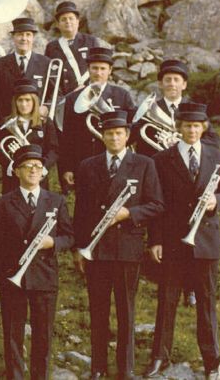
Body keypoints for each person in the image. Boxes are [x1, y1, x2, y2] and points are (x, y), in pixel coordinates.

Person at [72, 110, 164, 379]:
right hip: (96, 249)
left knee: (126, 310)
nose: (114, 137)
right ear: (102, 136)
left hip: (127, 248)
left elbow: (157, 204)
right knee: (98, 310)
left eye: (119, 133)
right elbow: (81, 212)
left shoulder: (145, 164)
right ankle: (98, 367)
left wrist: (130, 214)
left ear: (127, 136)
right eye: (109, 133)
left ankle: (126, 368)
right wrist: (79, 247)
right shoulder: (87, 165)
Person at [144, 102, 220, 379]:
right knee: (167, 300)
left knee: (206, 300)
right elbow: (155, 203)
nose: (192, 130)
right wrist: (155, 240)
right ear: (178, 127)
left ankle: (211, 358)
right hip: (173, 239)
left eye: (196, 125)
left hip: (205, 240)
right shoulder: (161, 159)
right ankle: (160, 356)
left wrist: (218, 200)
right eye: (187, 125)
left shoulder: (218, 156)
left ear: (203, 127)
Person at [0, 145, 74, 380]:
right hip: (12, 275)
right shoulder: (3, 203)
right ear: (16, 171)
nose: (33, 170)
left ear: (44, 172)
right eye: (27, 166)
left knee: (43, 334)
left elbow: (69, 237)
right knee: (13, 334)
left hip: (44, 276)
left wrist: (52, 243)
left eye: (38, 166)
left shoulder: (56, 201)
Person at [58, 47, 135, 194]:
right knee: (85, 207)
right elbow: (66, 136)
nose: (98, 73)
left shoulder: (122, 95)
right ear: (88, 69)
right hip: (83, 161)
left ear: (110, 70)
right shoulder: (73, 99)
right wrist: (67, 168)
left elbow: (132, 128)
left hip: (115, 160)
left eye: (102, 68)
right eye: (94, 68)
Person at [132, 59, 220, 157]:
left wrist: (184, 142)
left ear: (184, 85)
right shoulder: (150, 109)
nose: (172, 84)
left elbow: (214, 141)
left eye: (176, 80)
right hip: (155, 166)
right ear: (160, 84)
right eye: (168, 79)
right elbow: (135, 139)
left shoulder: (194, 110)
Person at [0, 79, 59, 194]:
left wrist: (43, 168)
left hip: (38, 176)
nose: (24, 104)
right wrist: (11, 167)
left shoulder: (45, 123)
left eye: (28, 100)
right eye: (20, 100)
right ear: (15, 102)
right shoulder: (6, 123)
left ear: (34, 102)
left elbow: (54, 149)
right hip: (13, 178)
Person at [0, 17, 50, 119]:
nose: (24, 38)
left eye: (28, 35)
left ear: (33, 38)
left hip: (37, 121)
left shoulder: (45, 62)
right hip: (8, 121)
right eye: (20, 34)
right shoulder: (0, 64)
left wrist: (46, 107)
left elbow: (57, 94)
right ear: (13, 37)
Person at [43, 1, 101, 97]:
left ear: (77, 21)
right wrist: (61, 97)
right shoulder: (51, 47)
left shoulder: (91, 41)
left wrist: (86, 88)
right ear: (57, 24)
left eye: (71, 18)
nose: (68, 21)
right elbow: (50, 76)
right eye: (63, 19)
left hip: (88, 94)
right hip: (63, 97)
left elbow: (99, 70)